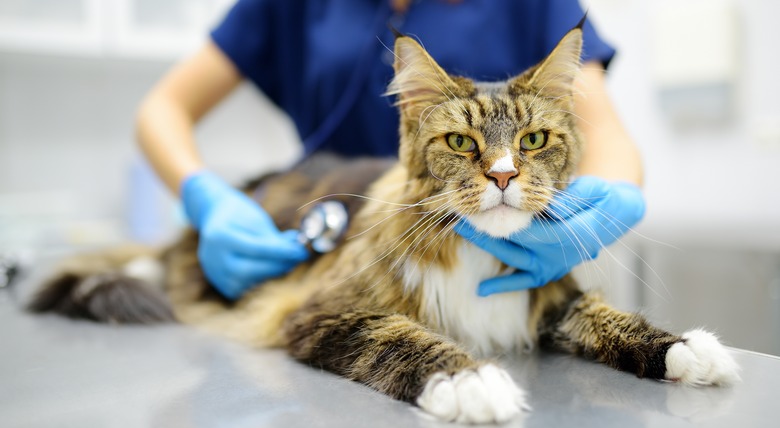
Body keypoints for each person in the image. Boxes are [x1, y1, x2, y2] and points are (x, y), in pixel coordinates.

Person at [135, 0, 645, 300]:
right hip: (337, 235)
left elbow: (602, 132)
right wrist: (205, 197)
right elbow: (163, 108)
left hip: (496, 245)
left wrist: (611, 202)